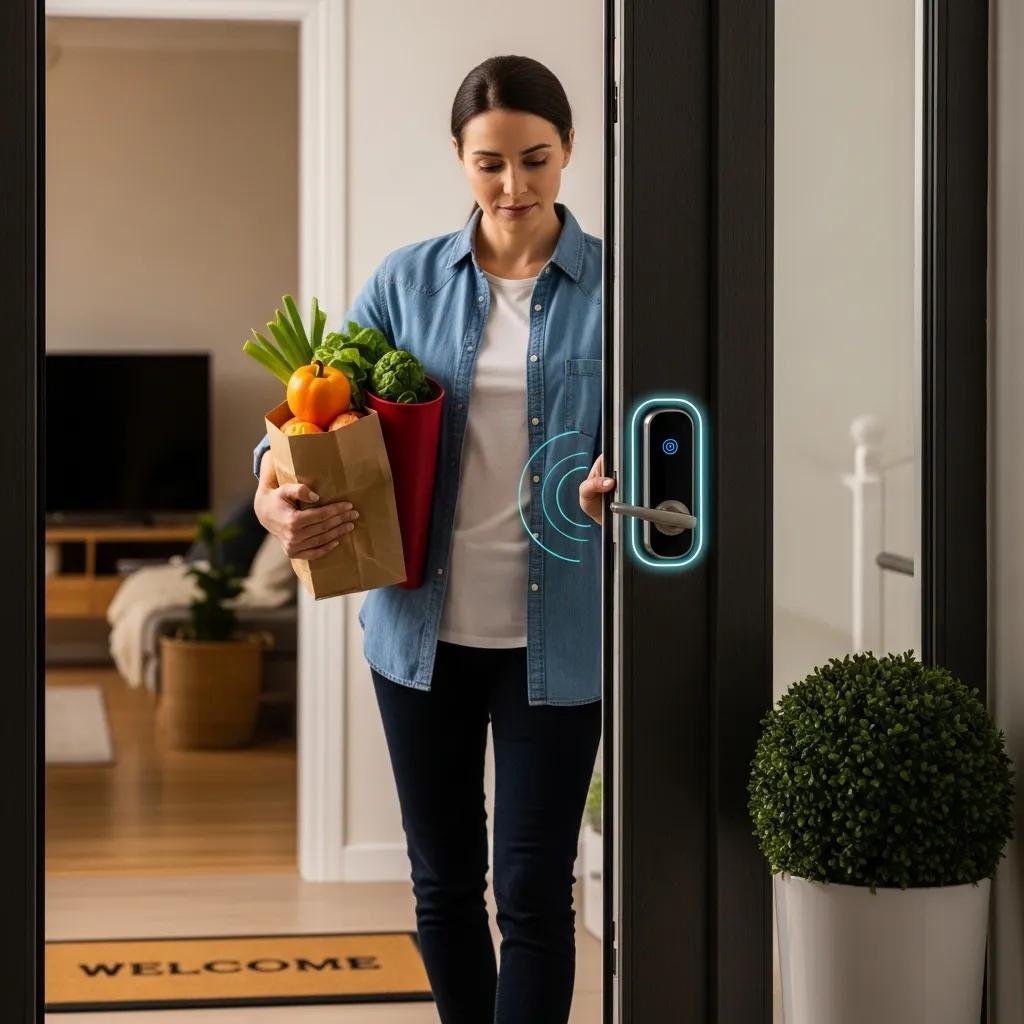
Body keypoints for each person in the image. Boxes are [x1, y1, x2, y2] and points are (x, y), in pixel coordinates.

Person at [252, 54, 613, 1024]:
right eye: (490, 163)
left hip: (561, 639)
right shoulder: (406, 282)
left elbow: (672, 430)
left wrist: (622, 482)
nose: (514, 186)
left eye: (536, 160)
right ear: (459, 157)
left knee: (534, 895)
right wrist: (271, 498)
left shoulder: (621, 287)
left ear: (570, 149)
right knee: (443, 884)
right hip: (419, 635)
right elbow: (293, 421)